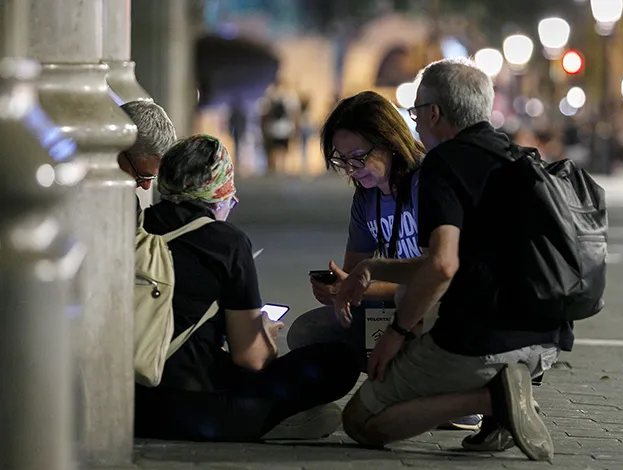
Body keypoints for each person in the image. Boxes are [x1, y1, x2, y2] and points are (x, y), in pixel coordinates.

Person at [335, 58, 574, 461]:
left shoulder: (443, 166)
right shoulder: (522, 159)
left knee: (360, 423)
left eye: (415, 111)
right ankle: (501, 415)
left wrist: (397, 334)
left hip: (482, 340)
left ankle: (492, 400)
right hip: (545, 343)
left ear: (433, 113)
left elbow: (442, 266)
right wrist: (371, 268)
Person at [134, 135, 361, 442]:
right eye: (232, 196)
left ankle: (284, 418)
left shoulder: (139, 227)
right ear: (220, 191)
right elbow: (252, 359)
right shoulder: (227, 242)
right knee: (339, 361)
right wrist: (264, 331)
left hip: (129, 402)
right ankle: (277, 421)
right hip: (189, 413)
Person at [285, 90, 482, 432]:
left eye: (358, 156)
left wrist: (363, 285)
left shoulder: (430, 182)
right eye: (341, 159)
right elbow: (355, 272)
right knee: (310, 331)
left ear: (390, 142)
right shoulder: (366, 199)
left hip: (447, 310)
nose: (351, 168)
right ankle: (409, 388)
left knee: (416, 304)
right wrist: (339, 290)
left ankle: (458, 397)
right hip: (398, 310)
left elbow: (442, 273)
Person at [117, 100, 177, 212]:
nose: (146, 186)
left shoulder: (130, 204)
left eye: (152, 178)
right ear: (117, 150)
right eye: (141, 176)